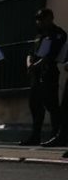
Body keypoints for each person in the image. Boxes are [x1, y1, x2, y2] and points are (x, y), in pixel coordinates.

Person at [25, 9, 68, 146]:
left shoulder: (58, 33)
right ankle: (35, 136)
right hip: (36, 74)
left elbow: (52, 54)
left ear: (50, 18)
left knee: (52, 105)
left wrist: (37, 65)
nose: (39, 22)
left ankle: (57, 135)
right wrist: (29, 64)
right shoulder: (39, 35)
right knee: (35, 105)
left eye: (42, 19)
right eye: (38, 19)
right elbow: (31, 52)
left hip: (49, 72)